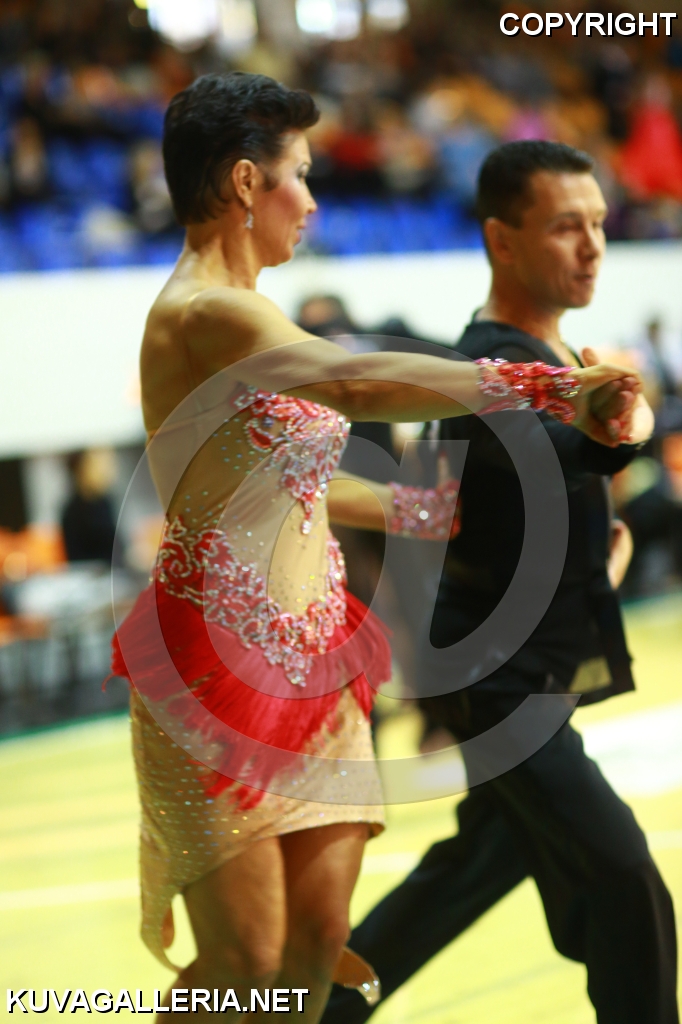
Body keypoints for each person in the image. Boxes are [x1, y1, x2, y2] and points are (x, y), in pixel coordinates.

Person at [108, 83, 640, 1024]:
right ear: (247, 183)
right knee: (246, 960)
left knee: (319, 938)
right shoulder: (206, 313)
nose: (313, 202)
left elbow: (289, 482)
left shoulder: (252, 313)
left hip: (315, 660)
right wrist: (549, 389)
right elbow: (353, 381)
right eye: (301, 177)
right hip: (217, 667)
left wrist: (411, 509)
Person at [321, 142, 675, 1024]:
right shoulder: (487, 367)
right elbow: (556, 448)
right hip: (499, 685)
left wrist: (601, 560)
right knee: (626, 882)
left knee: (468, 872)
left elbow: (498, 513)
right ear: (500, 240)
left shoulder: (544, 358)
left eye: (599, 223)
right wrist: (615, 426)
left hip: (520, 669)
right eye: (565, 226)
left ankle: (326, 1010)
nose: (592, 245)